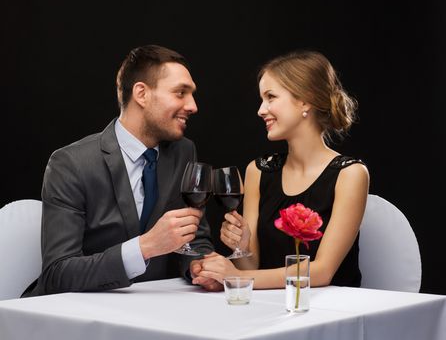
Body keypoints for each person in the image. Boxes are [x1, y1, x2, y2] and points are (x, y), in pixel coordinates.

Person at [24, 44, 219, 296]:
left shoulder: (183, 151)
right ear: (141, 94)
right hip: (77, 317)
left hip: (156, 312)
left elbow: (195, 238)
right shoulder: (70, 163)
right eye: (181, 92)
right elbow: (58, 272)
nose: (193, 106)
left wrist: (200, 266)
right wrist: (144, 247)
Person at [193, 50, 370, 289]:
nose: (261, 110)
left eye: (270, 97)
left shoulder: (350, 174)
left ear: (305, 100)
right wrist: (241, 247)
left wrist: (235, 277)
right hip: (273, 307)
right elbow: (252, 266)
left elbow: (322, 272)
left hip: (331, 311)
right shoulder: (258, 170)